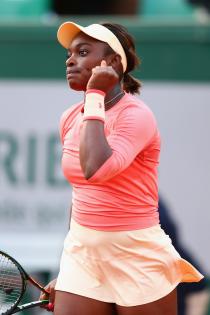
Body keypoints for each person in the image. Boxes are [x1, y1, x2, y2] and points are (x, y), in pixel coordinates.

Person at [40, 21, 204, 315]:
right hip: (83, 255)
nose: (70, 60)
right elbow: (82, 190)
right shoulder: (69, 118)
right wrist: (67, 267)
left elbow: (96, 169)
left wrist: (94, 95)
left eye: (83, 52)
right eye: (69, 53)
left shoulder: (137, 115)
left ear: (112, 62)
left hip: (137, 255)